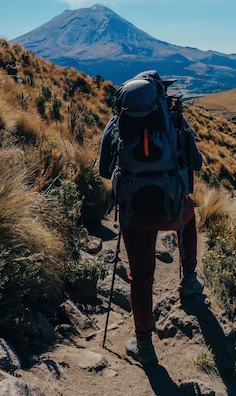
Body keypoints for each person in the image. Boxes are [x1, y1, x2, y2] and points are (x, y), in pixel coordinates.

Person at [99, 70, 203, 365]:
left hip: (134, 214)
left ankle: (144, 343)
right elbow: (197, 162)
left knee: (141, 277)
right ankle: (190, 279)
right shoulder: (175, 120)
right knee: (189, 213)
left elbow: (103, 170)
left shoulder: (116, 124)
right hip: (172, 209)